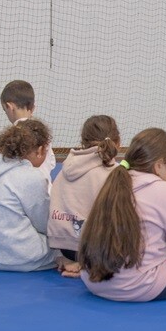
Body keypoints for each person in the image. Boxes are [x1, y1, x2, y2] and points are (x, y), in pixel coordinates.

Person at [78, 128, 166, 302]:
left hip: (95, 280)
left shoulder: (114, 183)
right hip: (135, 285)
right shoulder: (164, 191)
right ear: (159, 166)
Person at [0, 120, 61, 272]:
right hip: (23, 257)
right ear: (40, 150)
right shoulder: (31, 176)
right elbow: (44, 223)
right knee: (70, 247)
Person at [48, 115, 120, 273]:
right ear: (118, 143)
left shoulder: (65, 169)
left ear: (83, 142)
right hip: (94, 250)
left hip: (65, 248)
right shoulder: (115, 173)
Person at [0, 79, 55, 184]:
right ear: (33, 108)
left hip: (18, 189)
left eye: (5, 110)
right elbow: (51, 163)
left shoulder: (10, 136)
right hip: (46, 188)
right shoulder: (44, 134)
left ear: (9, 107)